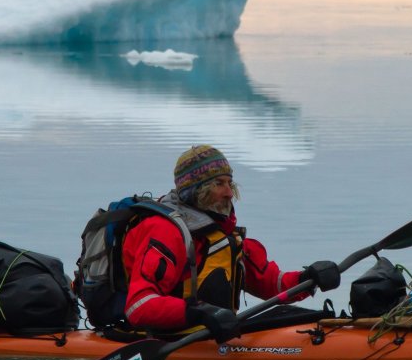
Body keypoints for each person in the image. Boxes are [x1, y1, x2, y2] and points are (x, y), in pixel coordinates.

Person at [121, 145, 340, 342]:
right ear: (195, 191)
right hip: (172, 338)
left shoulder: (224, 235)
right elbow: (138, 306)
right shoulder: (166, 231)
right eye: (219, 184)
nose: (229, 193)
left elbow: (271, 283)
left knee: (310, 316)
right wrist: (199, 312)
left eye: (229, 183)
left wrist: (309, 279)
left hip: (214, 334)